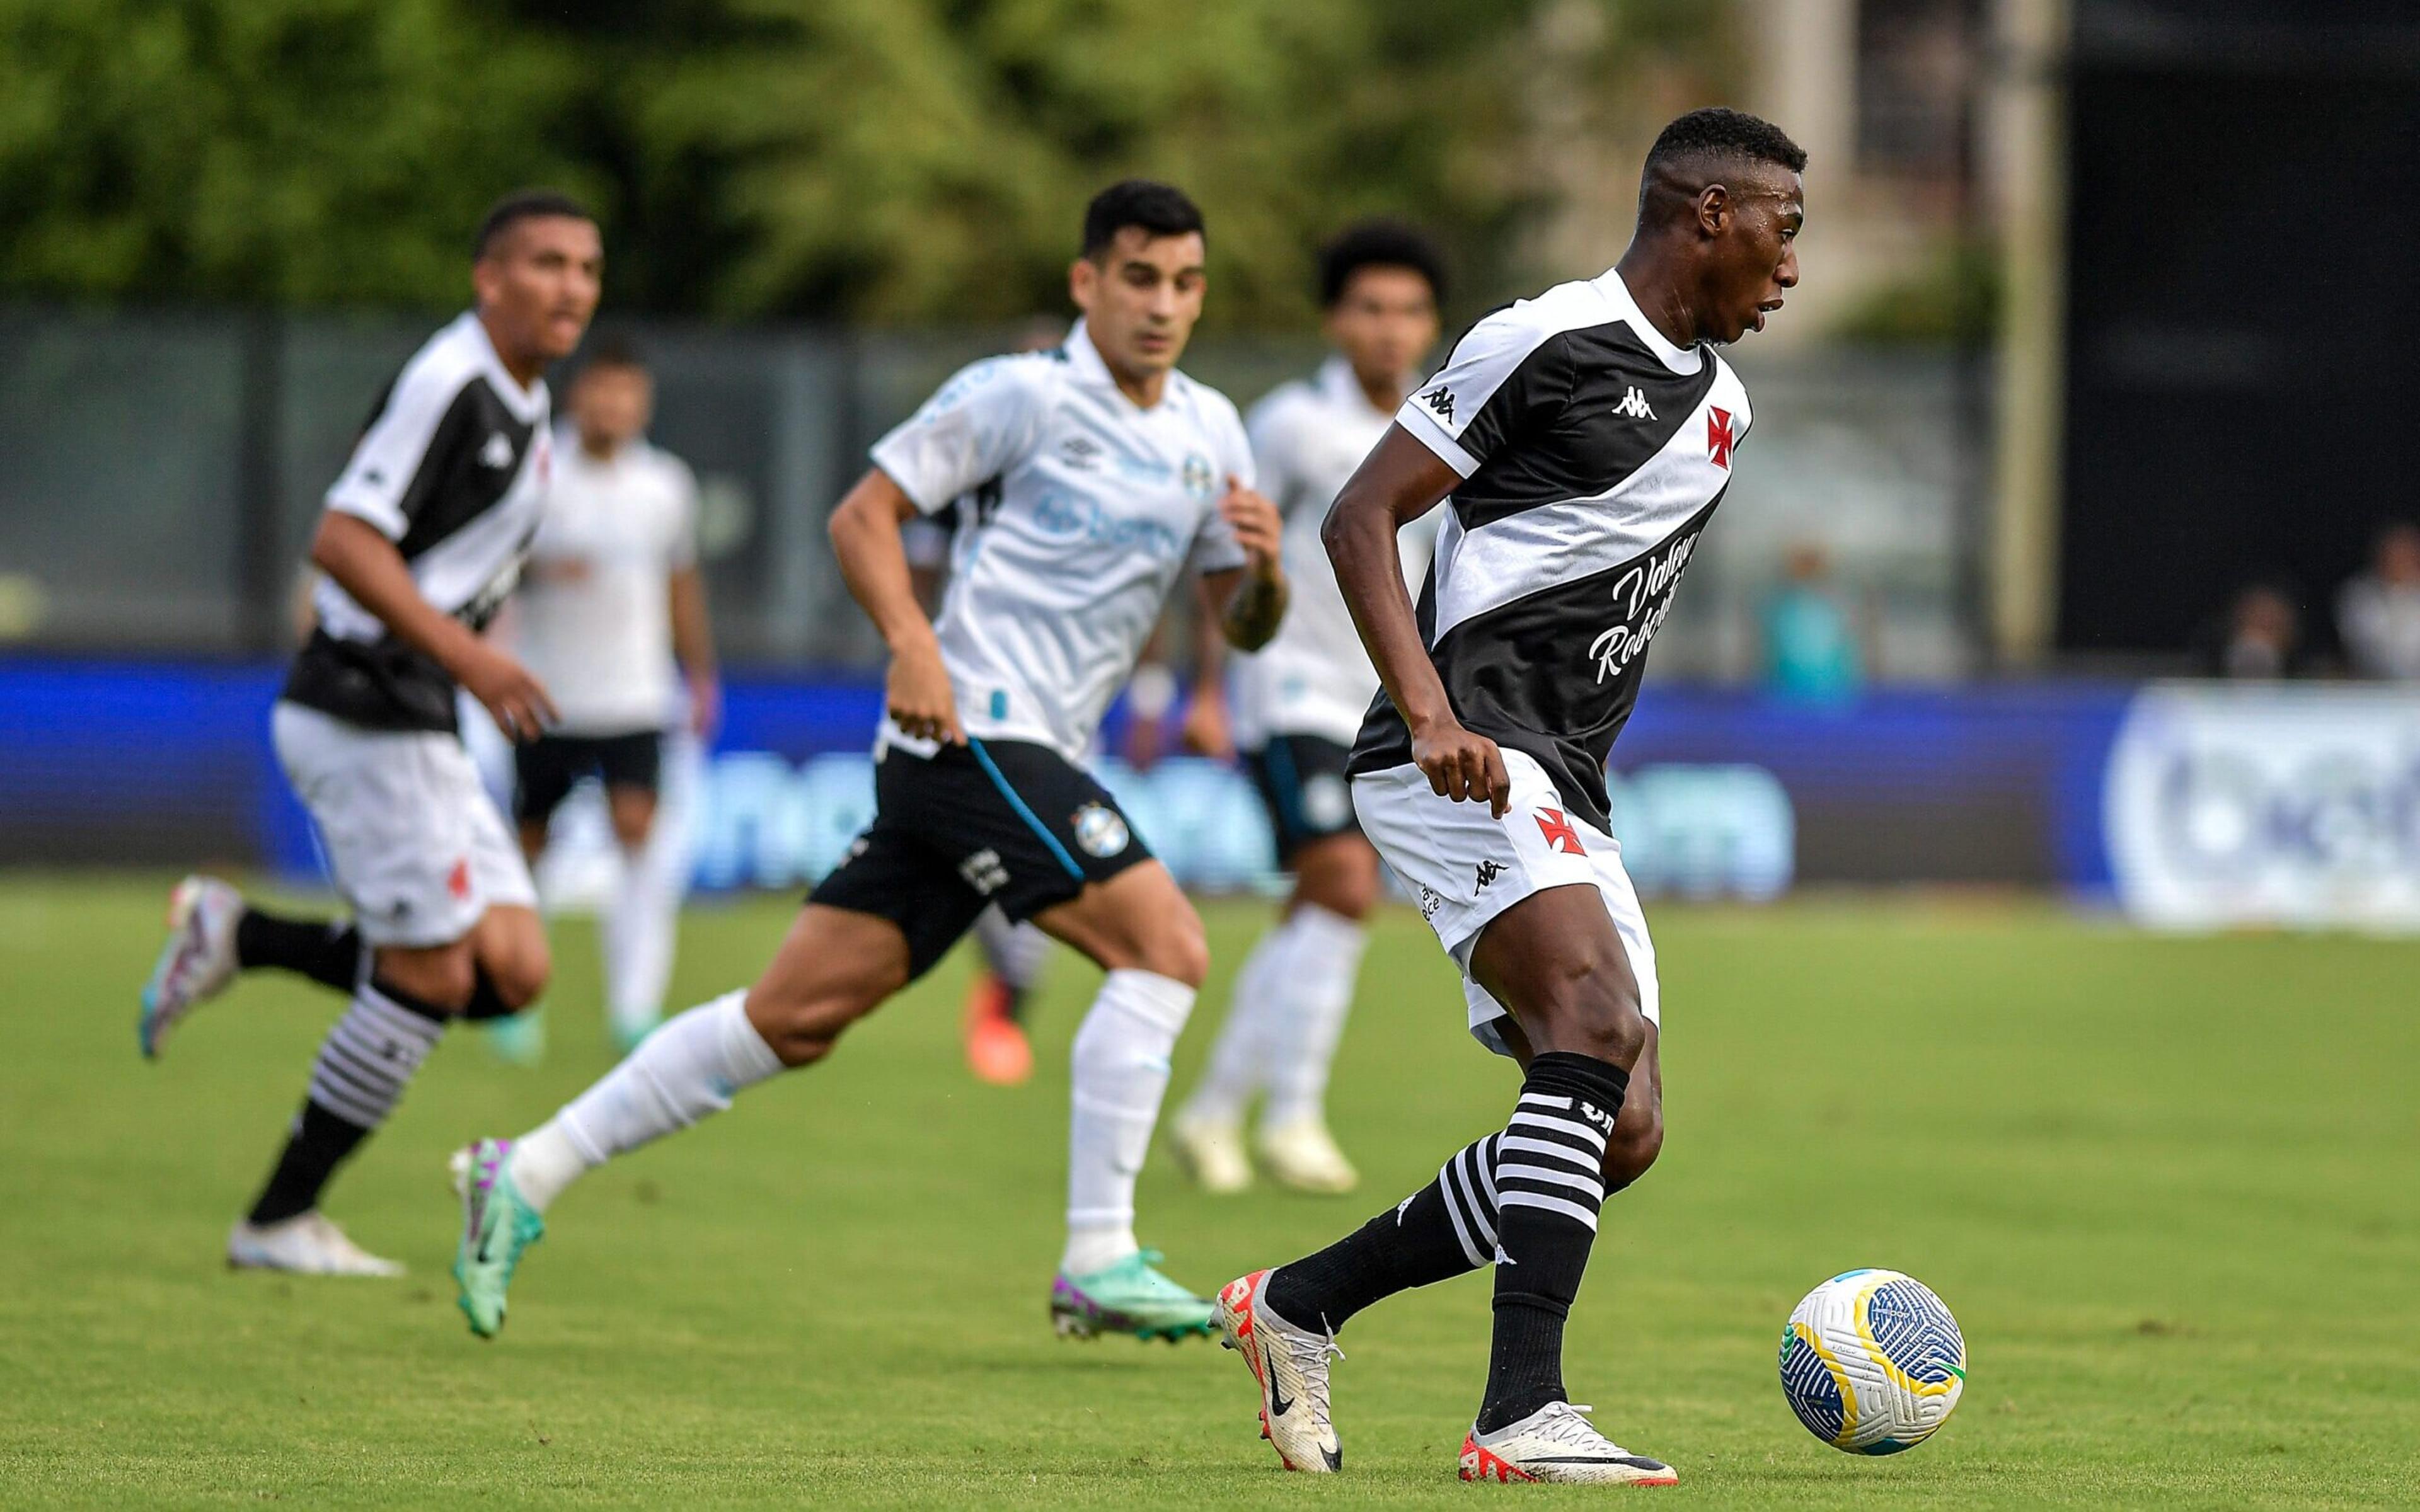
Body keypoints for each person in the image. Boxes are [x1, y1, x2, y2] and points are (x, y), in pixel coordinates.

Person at [447, 181, 1289, 1344]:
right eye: (1138, 277)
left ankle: (523, 1171)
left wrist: (1272, 574)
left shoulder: (1213, 432)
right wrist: (912, 646)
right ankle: (1097, 1252)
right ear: (1086, 281)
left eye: (1186, 284)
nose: (1162, 305)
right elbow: (863, 516)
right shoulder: (1019, 396)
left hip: (1013, 752)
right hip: (971, 733)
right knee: (1169, 946)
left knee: (792, 1018)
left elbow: (1238, 623)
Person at [1213, 108, 1804, 1484]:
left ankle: (1301, 1303)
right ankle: (1519, 1411)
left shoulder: (1725, 406)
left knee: (1625, 1124)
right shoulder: (1541, 338)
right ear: (1707, 212)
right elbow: (1361, 517)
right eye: (1784, 230)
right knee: (1593, 1023)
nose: (1790, 269)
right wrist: (1428, 715)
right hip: (1455, 754)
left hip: (1569, 786)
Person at [135, 192, 602, 1274]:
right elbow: (344, 539)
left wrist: (463, 660)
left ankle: (243, 937)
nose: (571, 286)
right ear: (490, 278)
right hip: (362, 702)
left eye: (586, 266)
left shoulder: (525, 402)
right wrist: (471, 654)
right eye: (546, 263)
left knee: (512, 973)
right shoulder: (452, 380)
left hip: (417, 714)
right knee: (432, 978)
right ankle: (277, 1220)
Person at [1171, 221, 1448, 1196]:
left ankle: (1213, 1111)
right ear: (1337, 319)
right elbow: (1227, 561)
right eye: (1371, 307)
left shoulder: (1446, 421)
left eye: (1409, 309)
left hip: (1385, 705)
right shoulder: (1290, 424)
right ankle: (1291, 1116)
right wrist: (1203, 689)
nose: (1389, 328)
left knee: (1318, 907)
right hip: (1286, 690)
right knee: (1339, 884)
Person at [506, 336, 720, 1055]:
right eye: (604, 390)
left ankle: (635, 1006)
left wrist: (700, 674)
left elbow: (680, 583)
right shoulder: (537, 475)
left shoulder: (665, 485)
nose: (615, 406)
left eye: (629, 393)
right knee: (528, 843)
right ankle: (514, 996)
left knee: (638, 835)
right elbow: (493, 570)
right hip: (547, 694)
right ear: (578, 395)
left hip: (634, 694)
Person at [901, 315, 1068, 1087]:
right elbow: (919, 568)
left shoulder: (1103, 473)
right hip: (978, 696)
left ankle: (1005, 999)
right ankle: (1002, 1006)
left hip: (1070, 704)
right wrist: (914, 650)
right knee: (1147, 934)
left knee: (1039, 875)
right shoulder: (969, 468)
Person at [2337, 522, 2420, 680]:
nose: (2401, 560)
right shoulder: (2358, 595)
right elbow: (2367, 648)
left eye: (2408, 553)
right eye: (2394, 553)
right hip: (2375, 689)